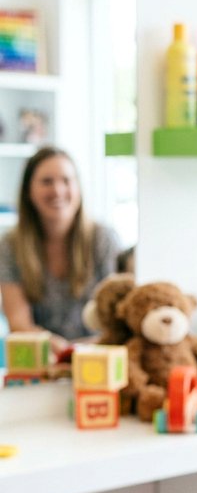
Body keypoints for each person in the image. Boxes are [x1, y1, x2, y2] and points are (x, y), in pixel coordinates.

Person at [0, 146, 121, 358]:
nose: (58, 190)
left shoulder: (103, 239)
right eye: (47, 181)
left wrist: (78, 350)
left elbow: (118, 317)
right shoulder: (10, 246)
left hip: (99, 358)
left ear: (78, 187)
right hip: (41, 362)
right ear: (28, 190)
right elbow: (19, 324)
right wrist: (59, 348)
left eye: (66, 180)